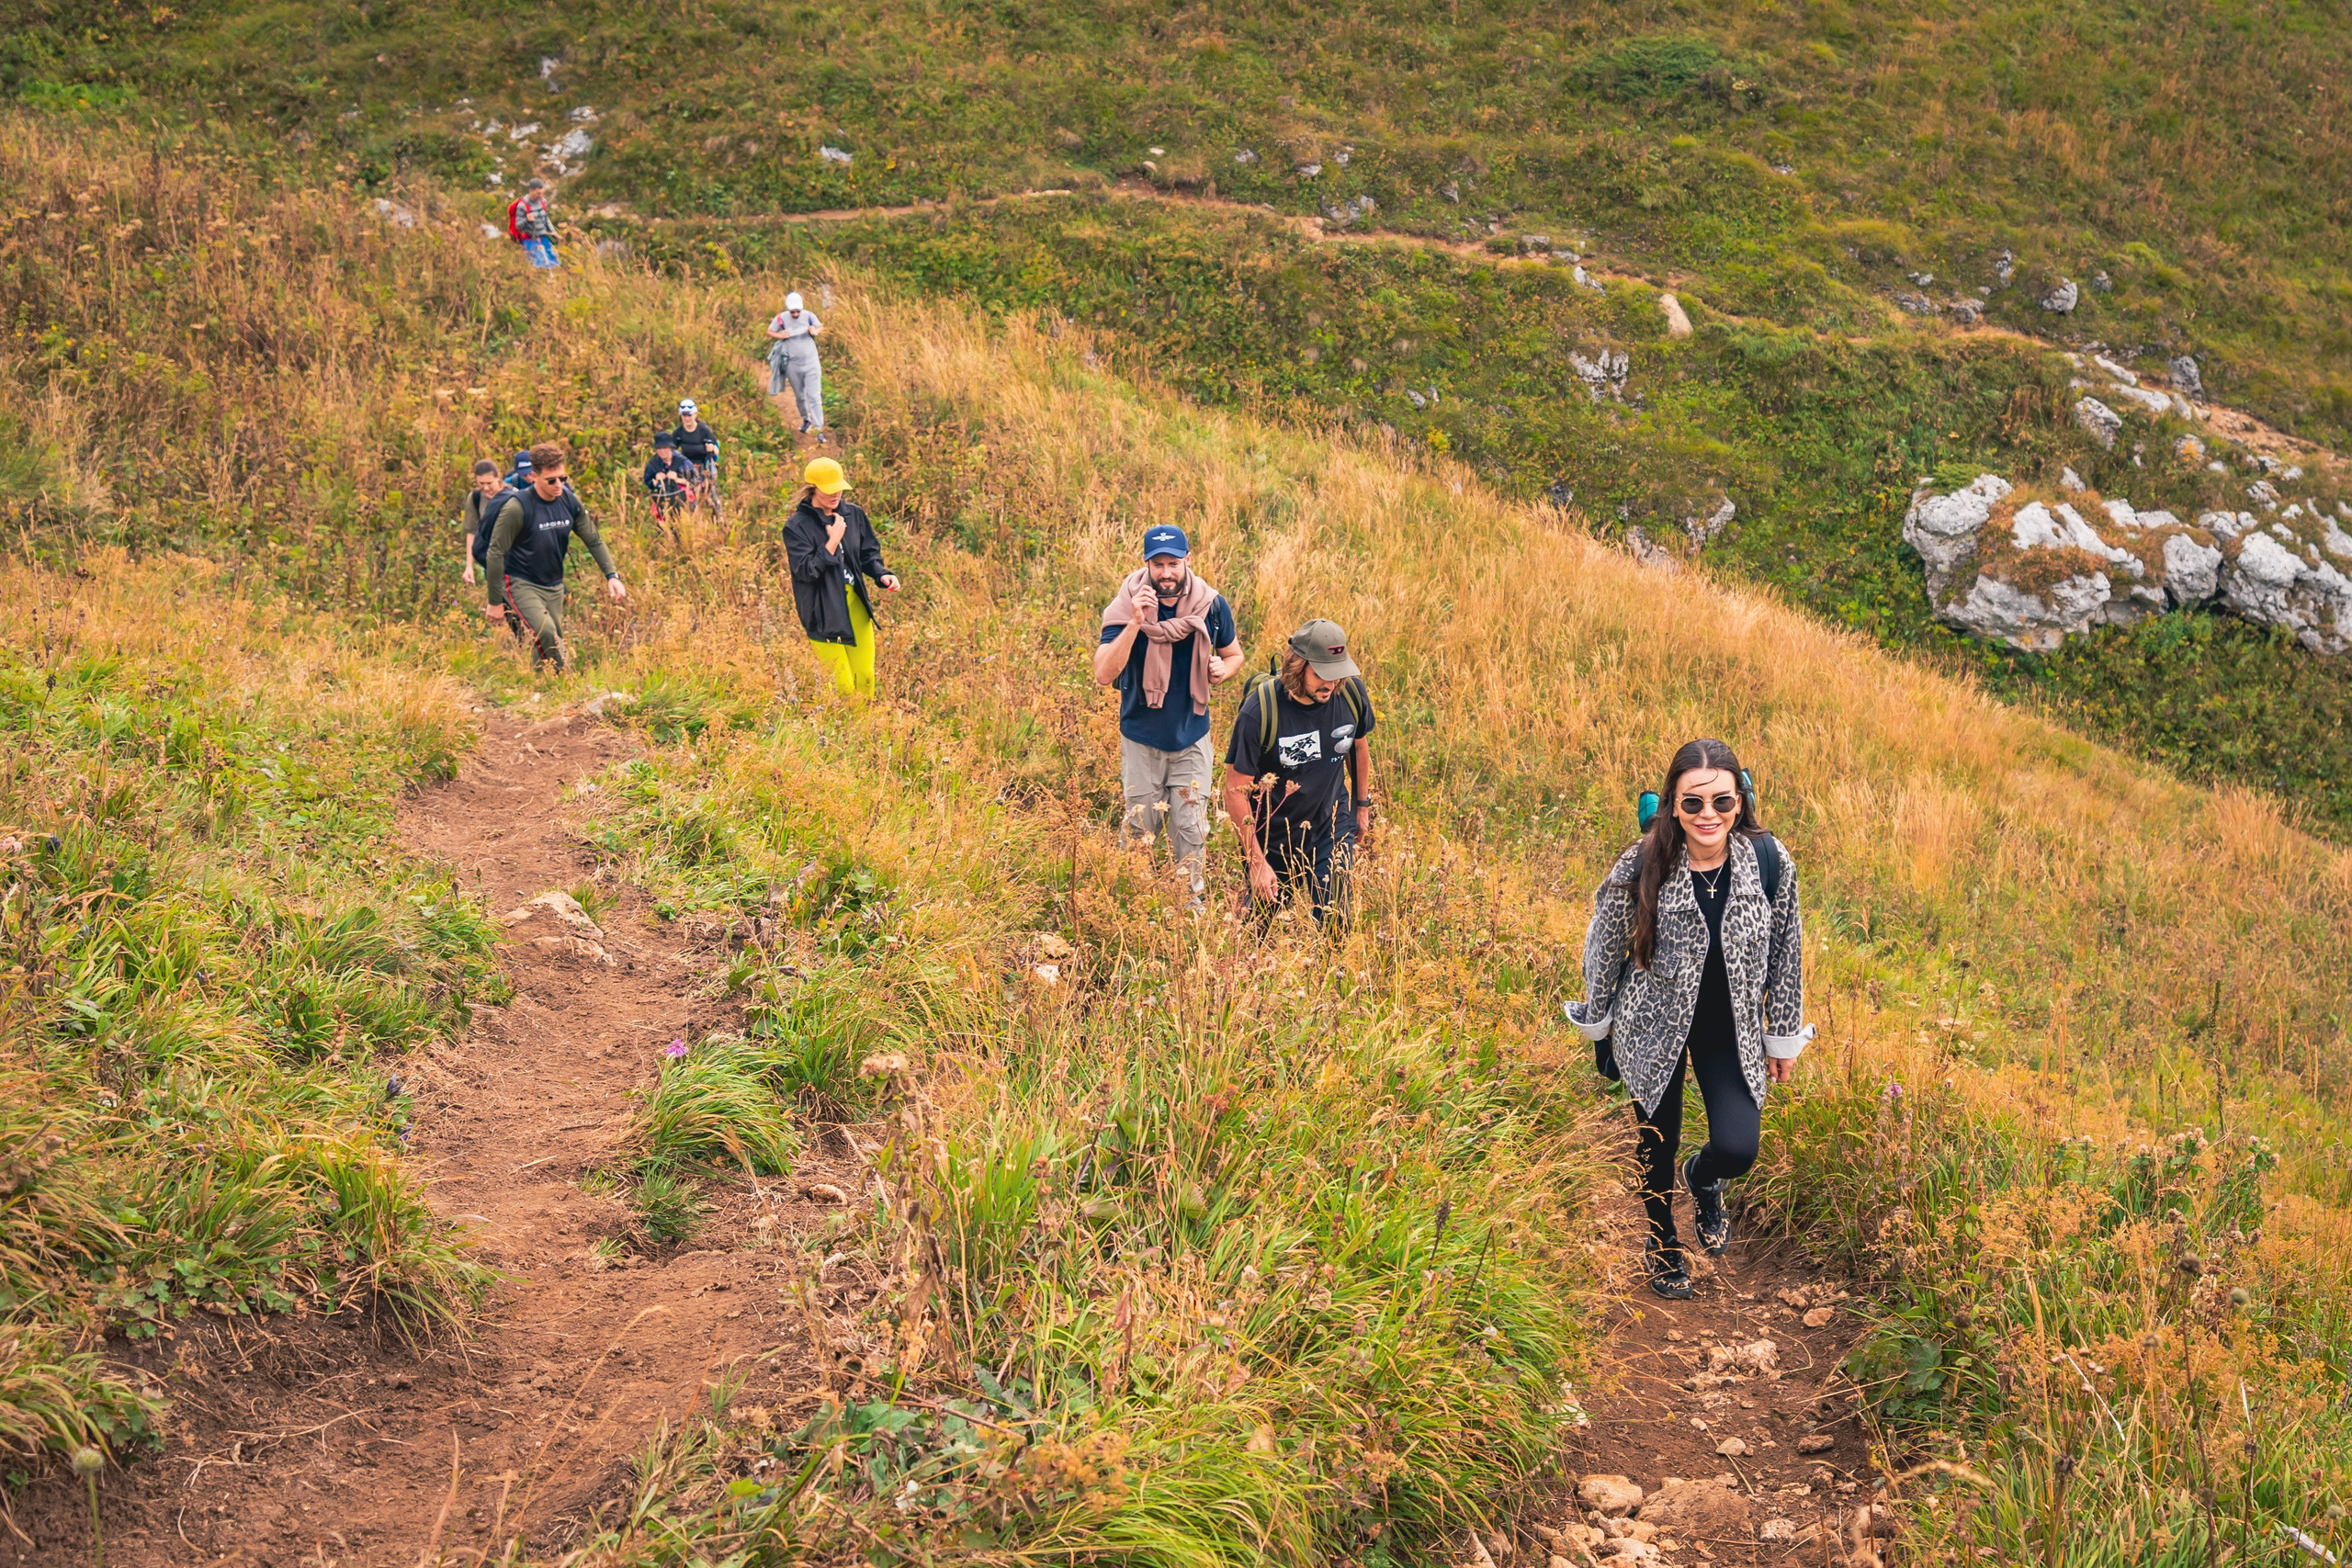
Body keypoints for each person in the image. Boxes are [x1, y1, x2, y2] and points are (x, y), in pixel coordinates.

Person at [1566, 739, 1812, 1301]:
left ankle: (1702, 1180)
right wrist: (1598, 1024)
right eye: (1693, 802)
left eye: (1722, 803)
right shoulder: (1643, 860)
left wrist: (1783, 1036)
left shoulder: (1769, 860)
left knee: (1738, 1147)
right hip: (1650, 1027)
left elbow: (1786, 952)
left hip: (1731, 1029)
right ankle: (1661, 1240)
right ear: (1673, 804)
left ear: (1740, 802)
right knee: (1658, 1138)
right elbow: (1605, 946)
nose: (1709, 816)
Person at [1092, 525, 1241, 903]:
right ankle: (1132, 901)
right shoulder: (1127, 603)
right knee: (1142, 827)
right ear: (1145, 564)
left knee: (1190, 828)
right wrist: (1135, 623)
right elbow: (1103, 673)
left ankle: (1190, 908)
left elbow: (1234, 654)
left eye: (1173, 563)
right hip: (1142, 738)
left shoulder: (1211, 604)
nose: (1166, 573)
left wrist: (1225, 670)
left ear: (1187, 560)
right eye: (1157, 564)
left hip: (1191, 736)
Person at [1222, 620, 1378, 927]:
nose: (1330, 685)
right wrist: (1256, 862)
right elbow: (1234, 790)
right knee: (1256, 932)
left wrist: (1361, 807)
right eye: (1321, 674)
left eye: (1336, 673)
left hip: (1330, 826)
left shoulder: (1350, 695)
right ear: (1298, 667)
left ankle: (1330, 972)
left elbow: (1358, 748)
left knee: (1336, 922)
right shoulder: (1259, 711)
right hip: (1274, 836)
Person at [481, 440, 628, 672]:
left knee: (551, 637)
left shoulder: (569, 500)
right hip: (520, 582)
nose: (559, 485)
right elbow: (495, 552)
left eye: (563, 478)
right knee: (547, 632)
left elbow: (594, 539)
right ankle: (566, 681)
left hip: (554, 583)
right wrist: (494, 602)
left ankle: (542, 687)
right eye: (552, 480)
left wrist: (612, 575)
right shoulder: (517, 508)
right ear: (534, 476)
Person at [783, 456, 898, 699]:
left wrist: (882, 574)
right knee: (842, 687)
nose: (836, 495)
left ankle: (867, 732)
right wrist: (832, 541)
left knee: (865, 678)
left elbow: (869, 554)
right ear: (812, 489)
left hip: (855, 604)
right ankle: (846, 733)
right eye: (829, 491)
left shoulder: (853, 514)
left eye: (840, 489)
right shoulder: (796, 526)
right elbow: (806, 571)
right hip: (822, 610)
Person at [767, 291, 826, 441]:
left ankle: (819, 429)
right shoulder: (781, 319)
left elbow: (820, 326)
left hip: (811, 363)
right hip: (793, 365)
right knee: (800, 396)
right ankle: (806, 419)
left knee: (814, 396)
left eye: (797, 311)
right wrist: (781, 335)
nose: (795, 314)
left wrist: (814, 331)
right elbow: (770, 331)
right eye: (792, 312)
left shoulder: (809, 316)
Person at [641, 431, 696, 523]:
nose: (662, 451)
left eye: (665, 447)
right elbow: (648, 483)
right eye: (659, 448)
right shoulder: (652, 465)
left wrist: (677, 479)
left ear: (671, 447)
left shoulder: (683, 462)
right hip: (663, 501)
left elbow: (694, 482)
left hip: (684, 502)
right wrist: (655, 480)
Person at [514, 178, 560, 269]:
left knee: (553, 263)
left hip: (544, 238)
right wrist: (526, 219)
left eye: (542, 193)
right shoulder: (522, 205)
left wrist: (554, 232)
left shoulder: (543, 202)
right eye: (538, 193)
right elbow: (518, 226)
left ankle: (554, 283)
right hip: (530, 240)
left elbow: (546, 219)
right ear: (531, 190)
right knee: (537, 265)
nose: (541, 196)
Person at [671, 400, 720, 477]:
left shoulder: (704, 430)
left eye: (689, 415)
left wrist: (712, 448)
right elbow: (671, 449)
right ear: (681, 416)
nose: (687, 418)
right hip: (685, 467)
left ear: (695, 415)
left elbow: (716, 450)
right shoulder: (678, 432)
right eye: (684, 415)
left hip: (704, 467)